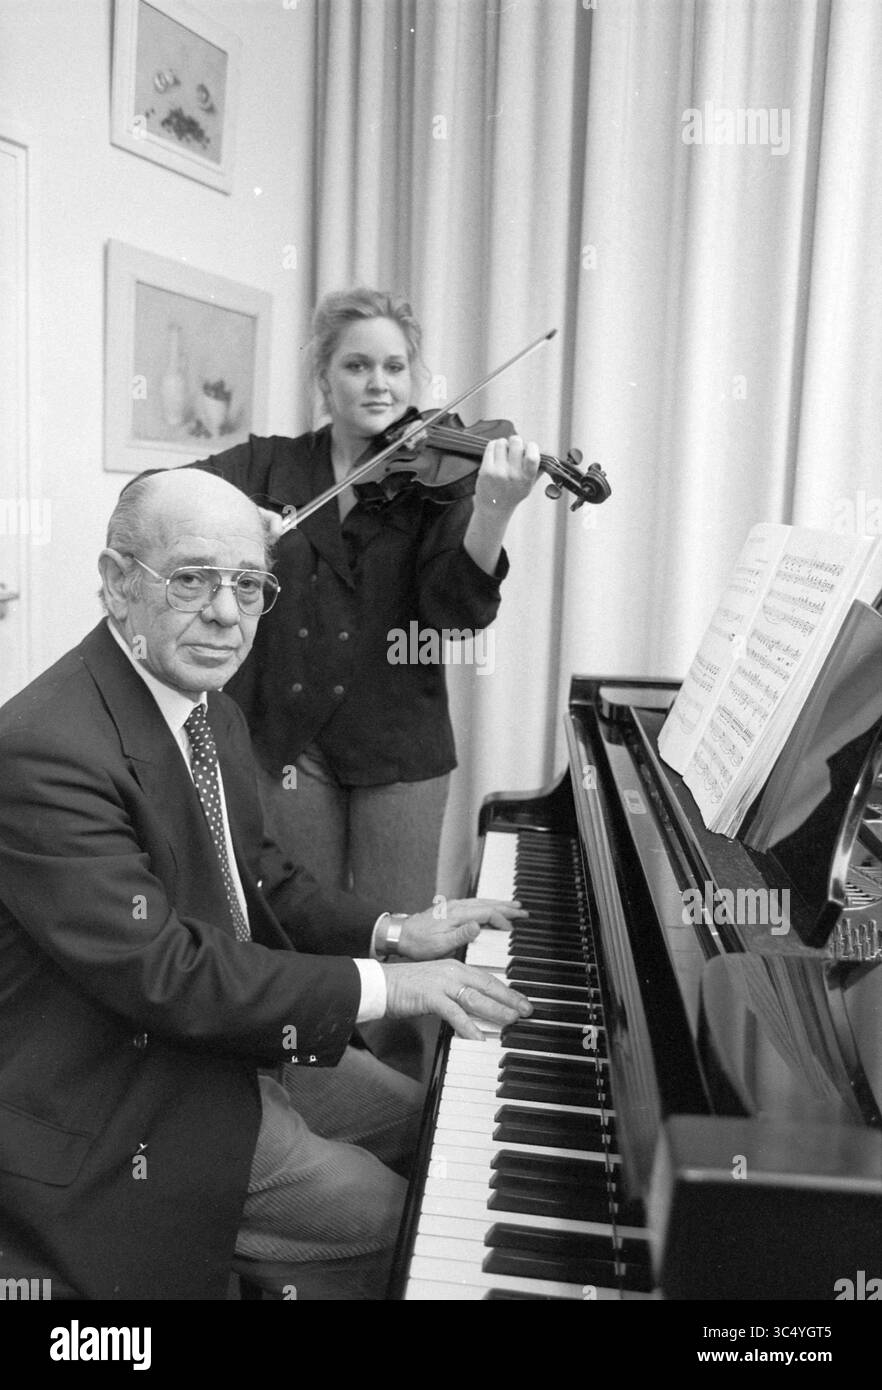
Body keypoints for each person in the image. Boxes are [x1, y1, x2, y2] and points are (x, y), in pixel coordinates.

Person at [0, 467, 532, 1301]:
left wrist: (396, 931)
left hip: (232, 1046)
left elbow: (256, 879)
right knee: (419, 1223)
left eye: (249, 585)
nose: (224, 612)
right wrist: (392, 988)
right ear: (115, 584)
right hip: (131, 1089)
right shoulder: (43, 750)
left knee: (443, 1128)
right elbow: (168, 974)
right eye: (192, 579)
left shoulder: (205, 705)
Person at [193, 286, 540, 913]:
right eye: (357, 365)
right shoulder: (270, 466)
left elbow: (455, 614)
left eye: (394, 366)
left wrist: (492, 508)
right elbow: (156, 495)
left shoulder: (439, 474)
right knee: (304, 933)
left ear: (414, 378)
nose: (378, 383)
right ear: (324, 379)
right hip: (288, 740)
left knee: (402, 940)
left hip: (399, 741)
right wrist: (240, 524)